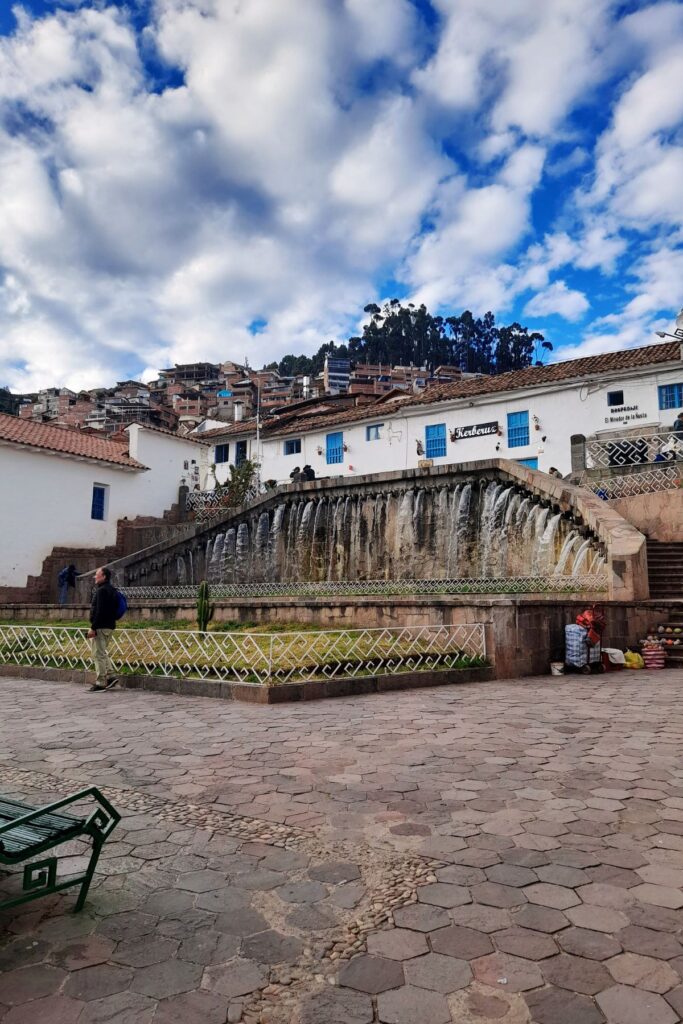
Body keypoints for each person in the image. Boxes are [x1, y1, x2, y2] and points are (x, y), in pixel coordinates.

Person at [87, 566, 119, 692]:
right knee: (102, 652)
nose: (95, 577)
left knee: (97, 655)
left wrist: (93, 627)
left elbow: (99, 611)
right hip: (110, 626)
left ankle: (101, 683)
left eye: (97, 574)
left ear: (104, 576)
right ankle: (111, 677)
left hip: (100, 627)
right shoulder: (112, 590)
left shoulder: (101, 591)